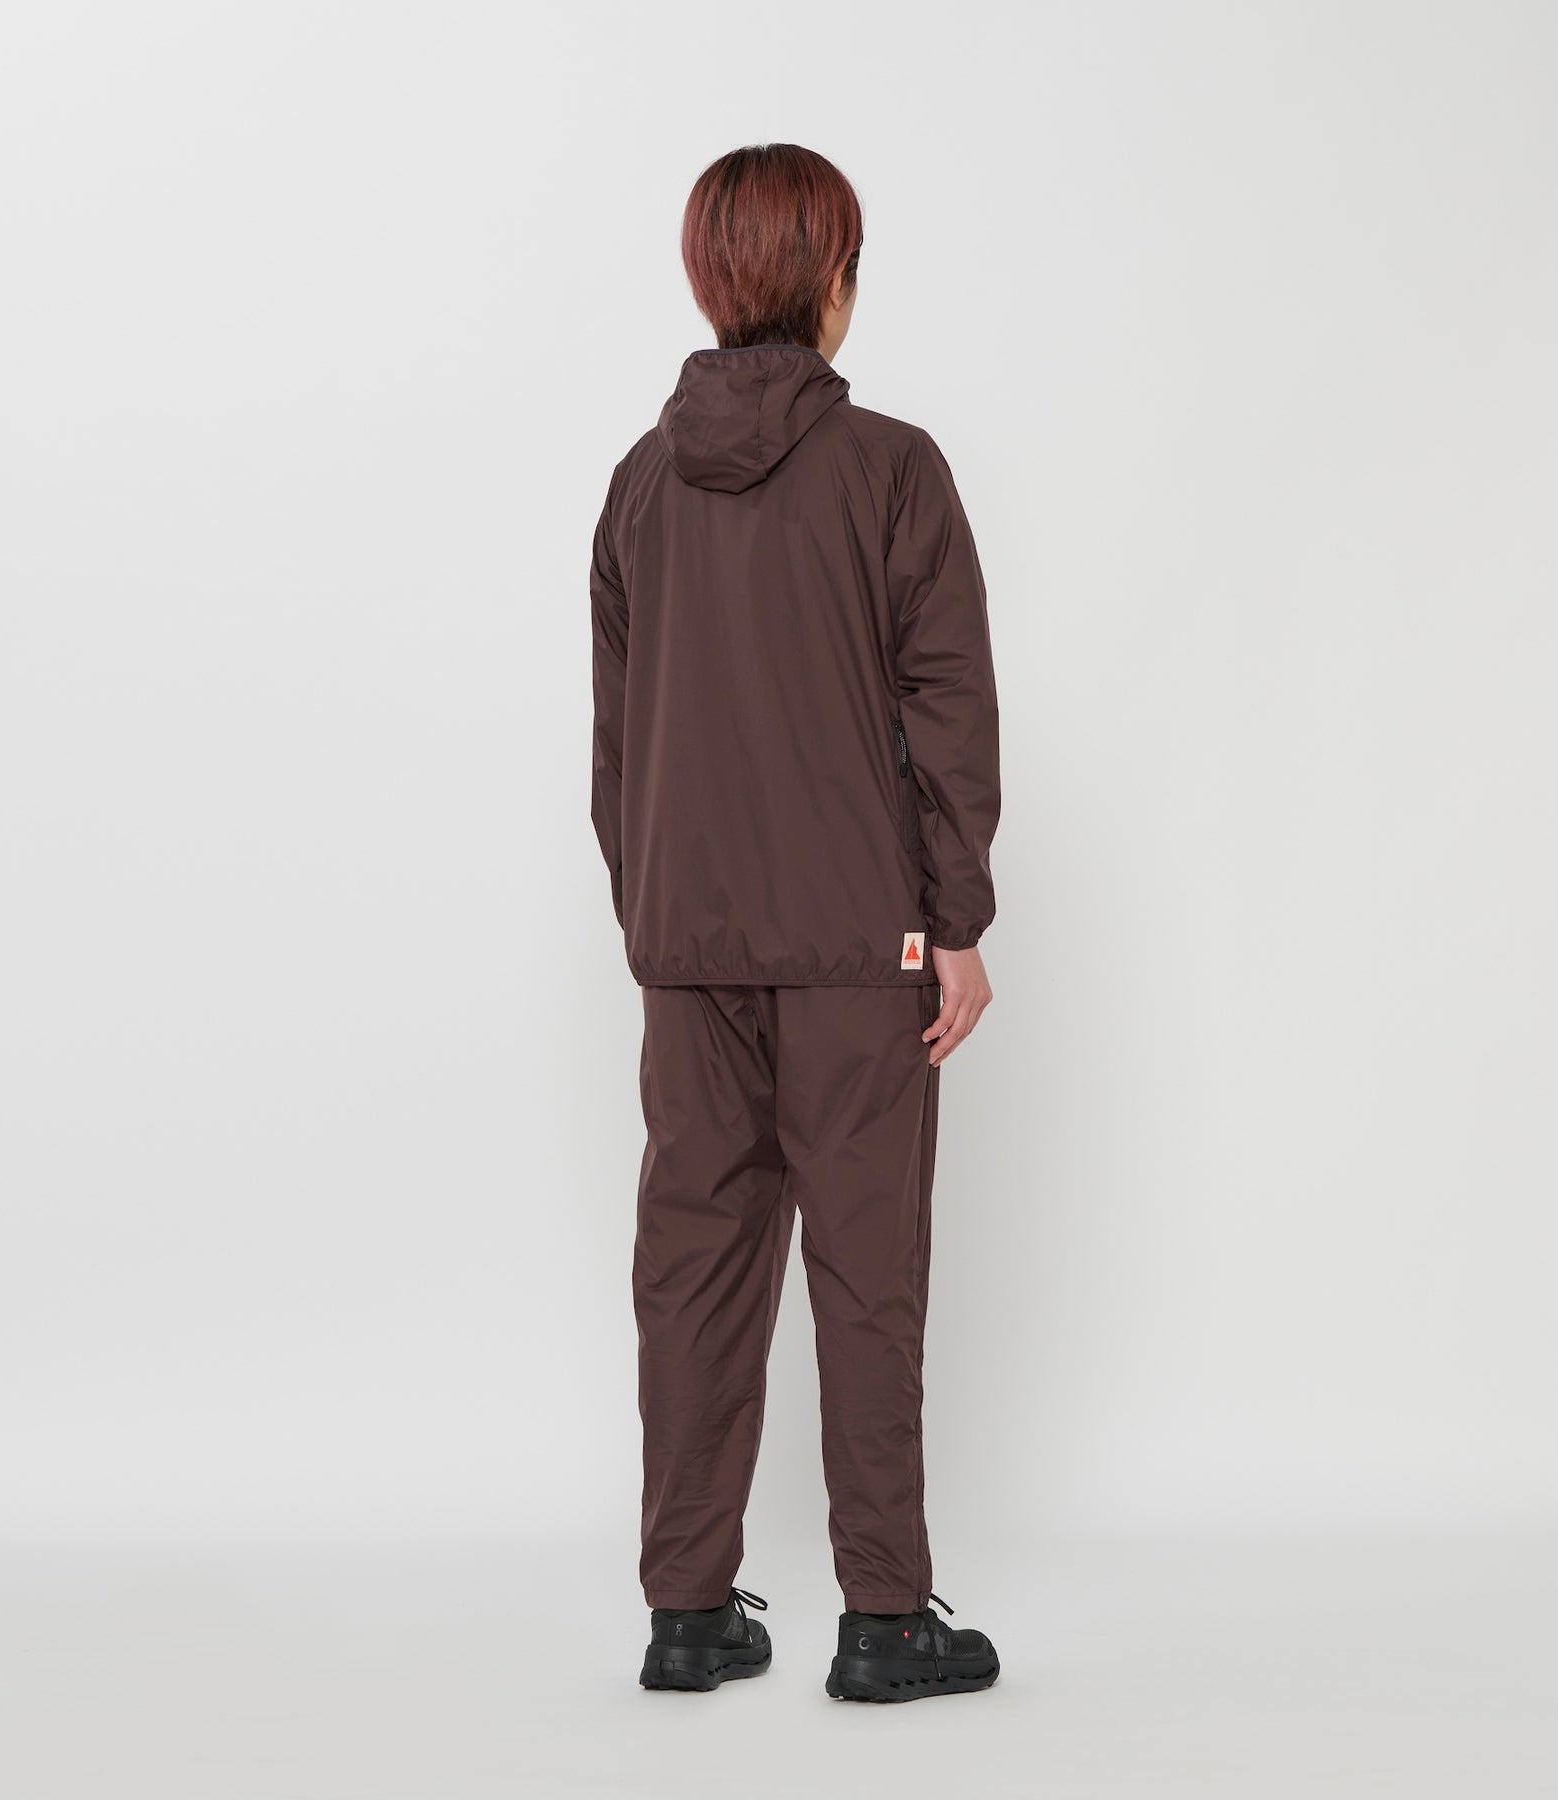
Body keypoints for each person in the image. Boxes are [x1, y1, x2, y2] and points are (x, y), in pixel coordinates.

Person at [589, 144, 1001, 1703]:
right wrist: (954, 918)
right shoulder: (892, 470)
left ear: (709, 280)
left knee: (692, 1271)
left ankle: (688, 1615)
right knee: (866, 1274)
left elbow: (618, 746)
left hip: (689, 951)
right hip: (854, 947)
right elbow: (947, 707)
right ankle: (885, 1622)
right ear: (832, 280)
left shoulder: (639, 485)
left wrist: (659, 914)